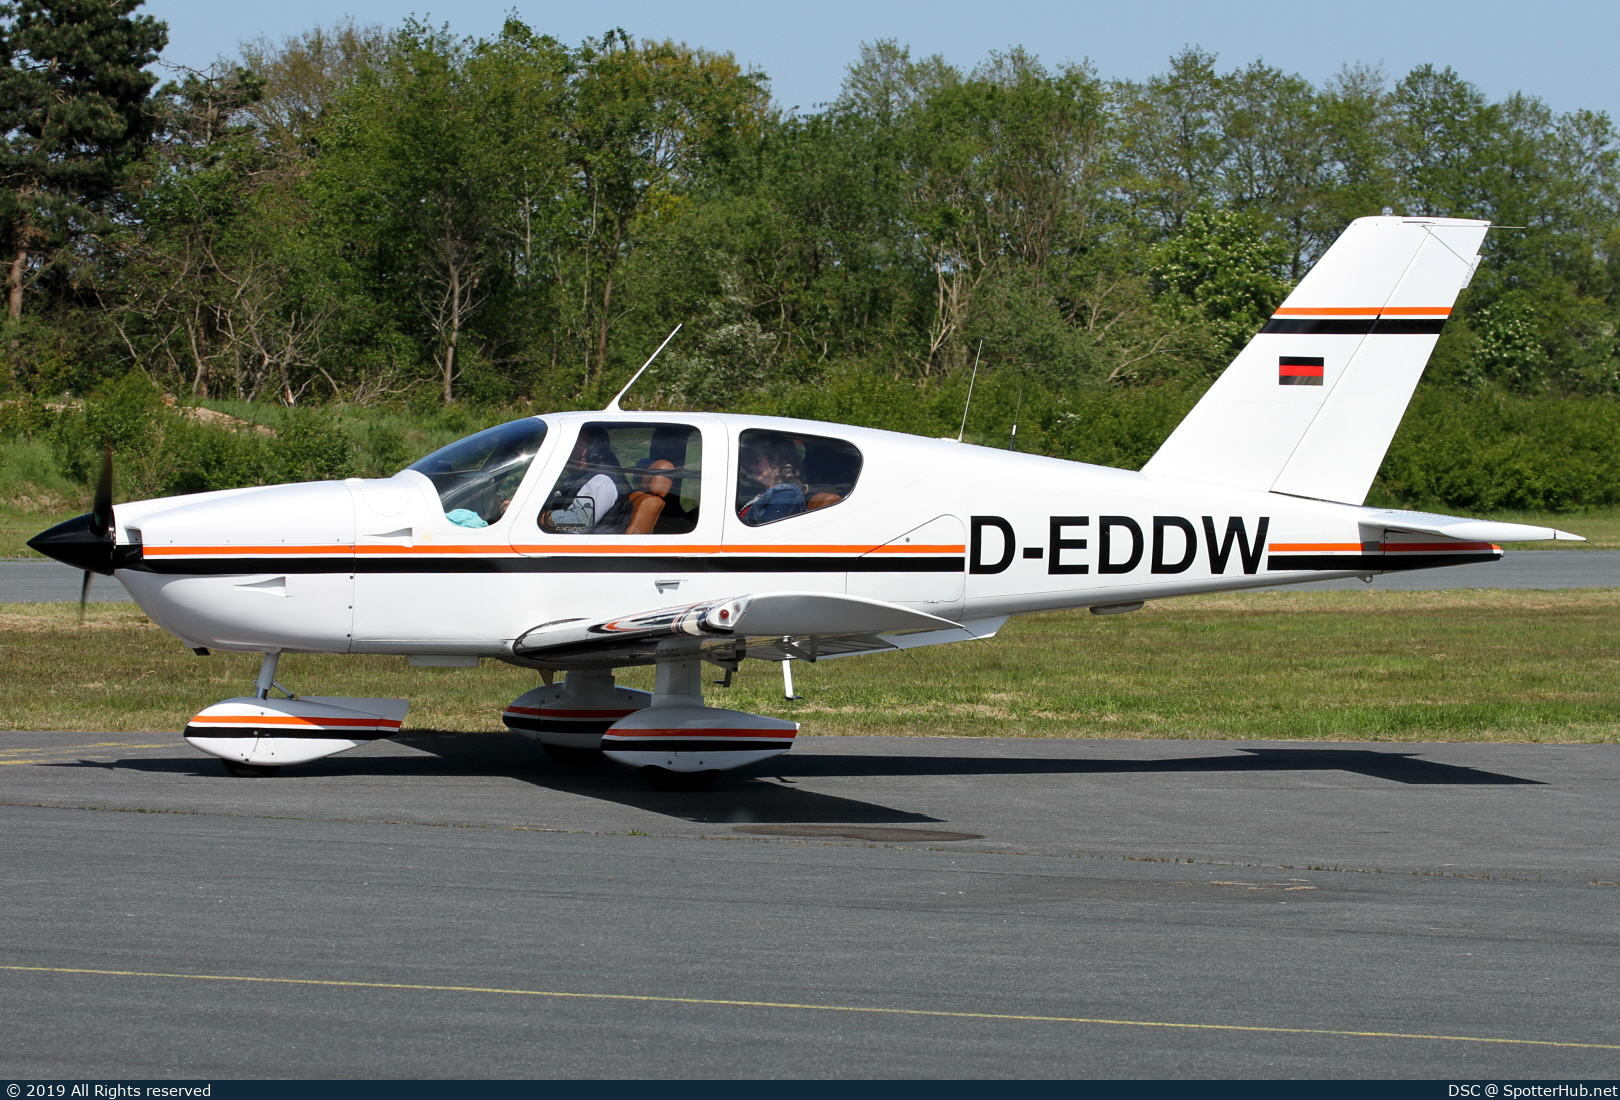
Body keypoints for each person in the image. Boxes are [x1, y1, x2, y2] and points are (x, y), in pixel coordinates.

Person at [542, 429, 627, 532]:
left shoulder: (600, 481)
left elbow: (578, 525)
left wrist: (542, 518)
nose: (567, 452)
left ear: (593, 452)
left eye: (575, 447)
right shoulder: (577, 477)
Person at [737, 435, 807, 525]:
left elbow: (767, 533)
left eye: (756, 460)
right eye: (751, 462)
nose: (752, 466)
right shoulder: (763, 490)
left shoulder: (786, 494)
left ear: (775, 461)